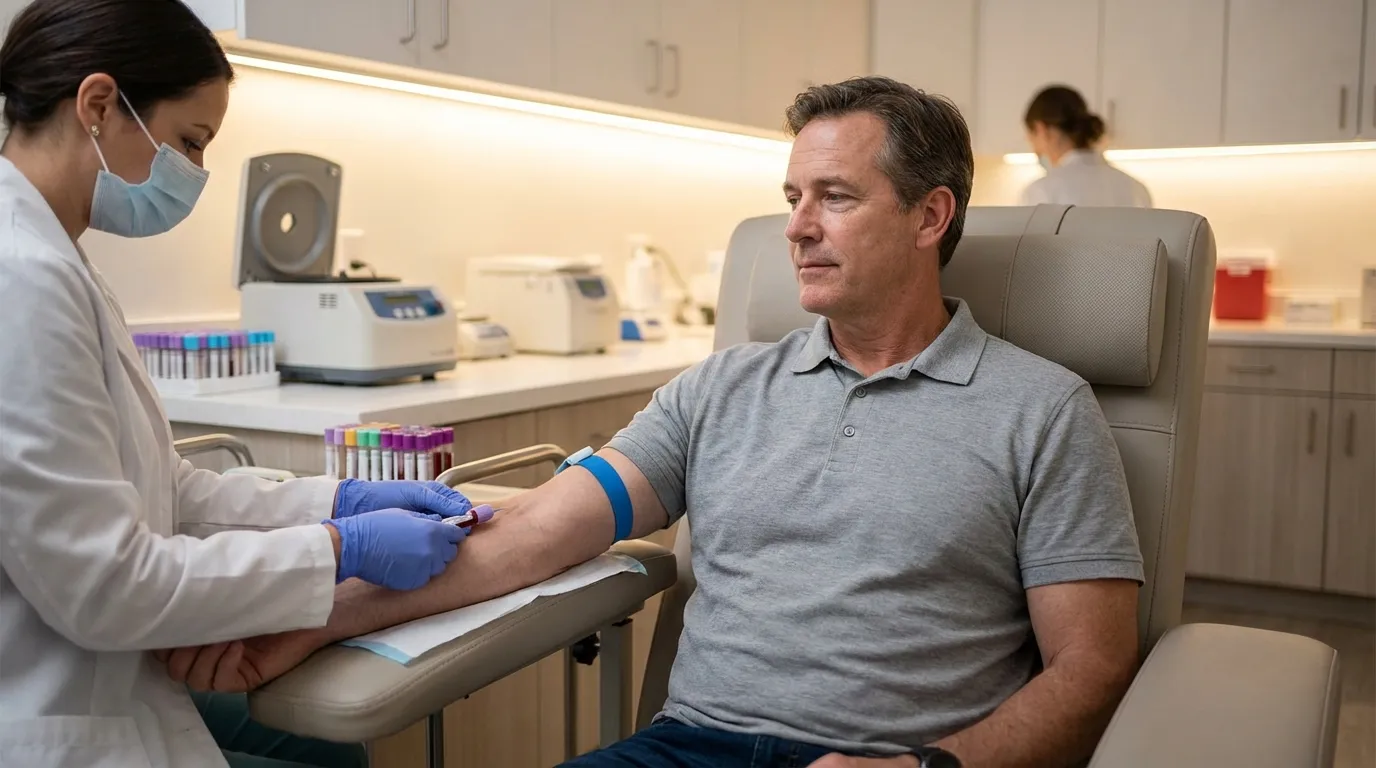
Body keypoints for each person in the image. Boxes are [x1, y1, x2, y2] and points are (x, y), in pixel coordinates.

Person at [164, 77, 1145, 768]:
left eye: (834, 198)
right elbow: (531, 539)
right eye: (791, 197)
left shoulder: (1040, 411)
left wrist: (935, 767)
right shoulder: (717, 390)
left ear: (930, 217)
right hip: (688, 749)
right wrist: (316, 617)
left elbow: (1091, 667)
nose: (796, 226)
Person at [0, 2, 483, 767]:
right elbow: (106, 586)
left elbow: (165, 491)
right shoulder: (19, 276)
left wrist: (340, 499)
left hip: (104, 668)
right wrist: (339, 549)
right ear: (98, 105)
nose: (192, 174)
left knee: (333, 751)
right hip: (48, 704)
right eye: (190, 142)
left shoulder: (56, 259)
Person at [1019, 84, 1152, 208]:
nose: (1035, 149)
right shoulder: (1135, 188)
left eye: (1031, 138)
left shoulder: (1041, 191)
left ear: (1041, 130)